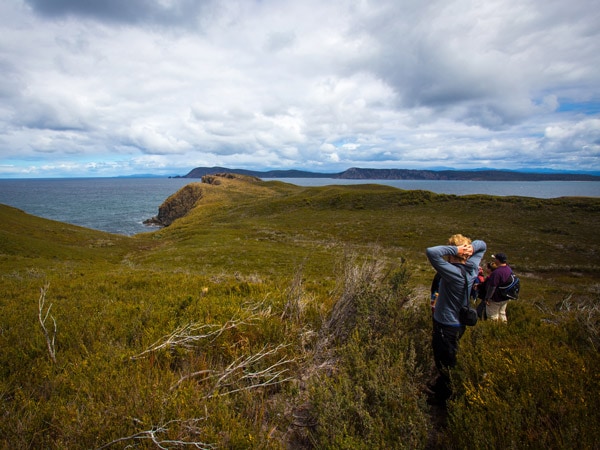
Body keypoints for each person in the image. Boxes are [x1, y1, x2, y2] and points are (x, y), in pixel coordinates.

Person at [426, 234, 487, 404]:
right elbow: (482, 244)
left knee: (445, 363)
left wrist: (457, 250)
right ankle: (442, 389)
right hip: (458, 324)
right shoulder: (472, 267)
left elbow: (431, 252)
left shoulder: (453, 273)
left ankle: (444, 399)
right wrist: (471, 249)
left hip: (445, 325)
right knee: (449, 357)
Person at [484, 253, 512, 322]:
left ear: (498, 260)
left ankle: (493, 329)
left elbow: (492, 286)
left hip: (495, 298)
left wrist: (487, 298)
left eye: (495, 259)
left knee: (492, 316)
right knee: (502, 313)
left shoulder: (497, 272)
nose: (494, 260)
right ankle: (503, 328)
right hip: (505, 297)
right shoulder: (508, 269)